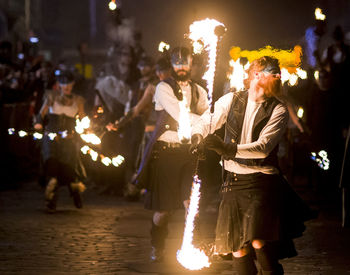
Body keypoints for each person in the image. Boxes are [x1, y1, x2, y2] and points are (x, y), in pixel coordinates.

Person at [191, 56, 312, 274]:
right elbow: (206, 121)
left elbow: (263, 147)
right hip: (233, 182)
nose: (277, 77)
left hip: (261, 181)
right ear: (256, 74)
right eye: (272, 72)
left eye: (278, 73)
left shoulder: (279, 109)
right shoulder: (232, 100)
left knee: (257, 240)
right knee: (237, 247)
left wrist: (227, 149)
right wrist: (198, 137)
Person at [137, 47, 209, 262]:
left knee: (191, 205)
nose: (181, 67)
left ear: (191, 64)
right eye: (177, 63)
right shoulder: (162, 88)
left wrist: (209, 121)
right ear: (171, 65)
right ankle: (157, 245)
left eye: (185, 63)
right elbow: (182, 116)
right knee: (164, 211)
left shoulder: (199, 90)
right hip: (166, 155)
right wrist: (205, 121)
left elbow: (208, 119)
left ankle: (190, 247)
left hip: (189, 154)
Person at [34, 69, 86, 213]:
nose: (66, 86)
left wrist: (87, 128)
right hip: (52, 138)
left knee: (69, 168)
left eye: (68, 83)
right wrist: (38, 123)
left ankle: (75, 192)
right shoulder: (51, 97)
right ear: (59, 84)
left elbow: (82, 118)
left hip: (69, 139)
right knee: (52, 166)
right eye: (63, 83)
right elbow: (41, 113)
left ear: (73, 84)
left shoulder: (78, 101)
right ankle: (51, 199)